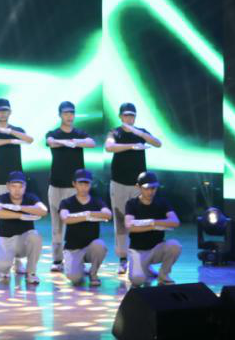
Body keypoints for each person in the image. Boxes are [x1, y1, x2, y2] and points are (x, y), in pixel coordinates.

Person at [105, 102, 162, 276]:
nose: (129, 118)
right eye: (126, 115)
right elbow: (109, 147)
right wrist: (131, 146)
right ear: (120, 116)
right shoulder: (115, 132)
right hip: (119, 183)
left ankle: (145, 260)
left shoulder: (141, 132)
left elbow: (158, 143)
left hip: (139, 186)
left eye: (132, 115)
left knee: (142, 221)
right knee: (121, 222)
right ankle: (123, 260)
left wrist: (139, 134)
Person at [46, 101, 97, 273]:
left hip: (75, 188)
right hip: (56, 185)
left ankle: (78, 258)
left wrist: (75, 141)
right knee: (57, 225)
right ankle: (57, 259)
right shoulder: (54, 133)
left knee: (77, 224)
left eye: (72, 113)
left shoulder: (80, 133)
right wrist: (66, 142)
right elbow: (51, 142)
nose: (69, 116)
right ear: (60, 115)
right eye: (66, 113)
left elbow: (91, 142)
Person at [0, 98, 33, 237]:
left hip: (14, 181)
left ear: (10, 112)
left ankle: (15, 246)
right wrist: (9, 140)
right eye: (0, 111)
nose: (3, 113)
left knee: (15, 212)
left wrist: (10, 131)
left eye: (5, 110)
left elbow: (29, 139)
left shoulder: (17, 130)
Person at [124, 171, 181, 286]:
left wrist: (153, 223)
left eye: (153, 188)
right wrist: (153, 225)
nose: (150, 192)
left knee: (175, 245)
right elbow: (130, 226)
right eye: (146, 188)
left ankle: (163, 275)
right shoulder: (132, 204)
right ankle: (142, 268)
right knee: (137, 280)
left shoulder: (162, 202)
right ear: (138, 187)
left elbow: (175, 222)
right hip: (138, 251)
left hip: (156, 249)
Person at [0, 171, 47, 284]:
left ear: (25, 187)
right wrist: (20, 215)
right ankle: (8, 266)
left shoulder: (30, 197)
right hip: (6, 240)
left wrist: (20, 208)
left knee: (35, 236)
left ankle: (31, 273)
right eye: (14, 186)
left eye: (21, 186)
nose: (17, 190)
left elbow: (43, 211)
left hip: (23, 243)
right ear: (8, 186)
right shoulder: (2, 198)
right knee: (1, 268)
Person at [58, 168, 111, 287]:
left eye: (86, 184)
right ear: (74, 184)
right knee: (75, 279)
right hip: (73, 248)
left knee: (100, 245)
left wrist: (88, 213)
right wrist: (86, 216)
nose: (83, 187)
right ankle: (78, 266)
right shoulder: (66, 202)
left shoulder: (97, 201)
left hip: (91, 247)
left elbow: (108, 214)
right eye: (80, 184)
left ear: (90, 185)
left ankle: (93, 273)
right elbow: (65, 218)